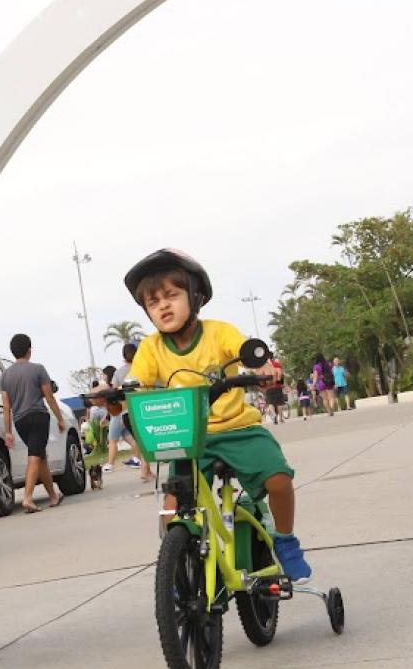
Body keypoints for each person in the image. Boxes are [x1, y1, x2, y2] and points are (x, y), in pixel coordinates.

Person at [121, 248, 311, 580]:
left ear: (195, 296)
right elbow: (136, 380)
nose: (163, 305)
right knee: (172, 506)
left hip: (237, 429)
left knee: (279, 480)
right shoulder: (150, 348)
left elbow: (242, 349)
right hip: (189, 438)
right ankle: (178, 569)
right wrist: (121, 392)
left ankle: (286, 540)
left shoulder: (218, 331)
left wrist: (260, 364)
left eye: (172, 295)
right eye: (153, 302)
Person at [0, 333, 65, 512]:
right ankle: (27, 498)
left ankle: (53, 496)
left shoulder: (5, 376)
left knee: (40, 455)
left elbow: (6, 407)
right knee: (35, 456)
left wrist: (8, 431)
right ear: (29, 350)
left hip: (20, 421)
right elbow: (49, 397)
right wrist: (60, 419)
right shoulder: (38, 369)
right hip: (38, 417)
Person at [112, 343, 153, 482]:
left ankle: (147, 470)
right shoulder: (143, 368)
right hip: (144, 410)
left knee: (140, 441)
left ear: (123, 356)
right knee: (144, 441)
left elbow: (114, 391)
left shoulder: (118, 373)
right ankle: (144, 470)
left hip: (126, 413)